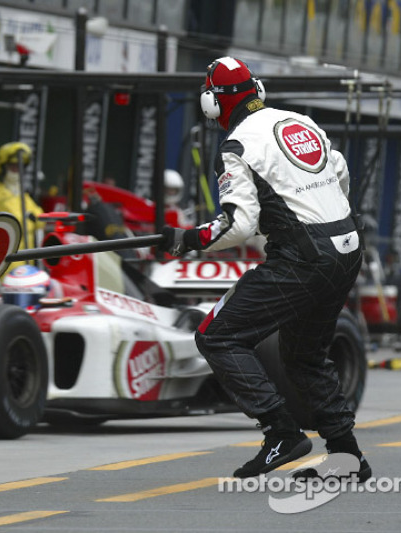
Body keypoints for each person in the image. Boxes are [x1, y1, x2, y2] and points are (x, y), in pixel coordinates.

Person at [158, 56, 370, 481]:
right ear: (257, 90)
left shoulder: (237, 146)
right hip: (347, 247)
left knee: (217, 336)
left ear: (212, 104)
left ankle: (281, 432)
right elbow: (340, 171)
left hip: (302, 257)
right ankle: (348, 458)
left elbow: (239, 225)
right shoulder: (301, 122)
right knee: (304, 357)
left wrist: (188, 239)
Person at [0, 142, 44, 272]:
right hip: (6, 257)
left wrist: (33, 218)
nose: (16, 170)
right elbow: (15, 222)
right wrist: (30, 219)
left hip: (26, 255)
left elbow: (39, 216)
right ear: (3, 167)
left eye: (19, 167)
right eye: (12, 167)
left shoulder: (21, 193)